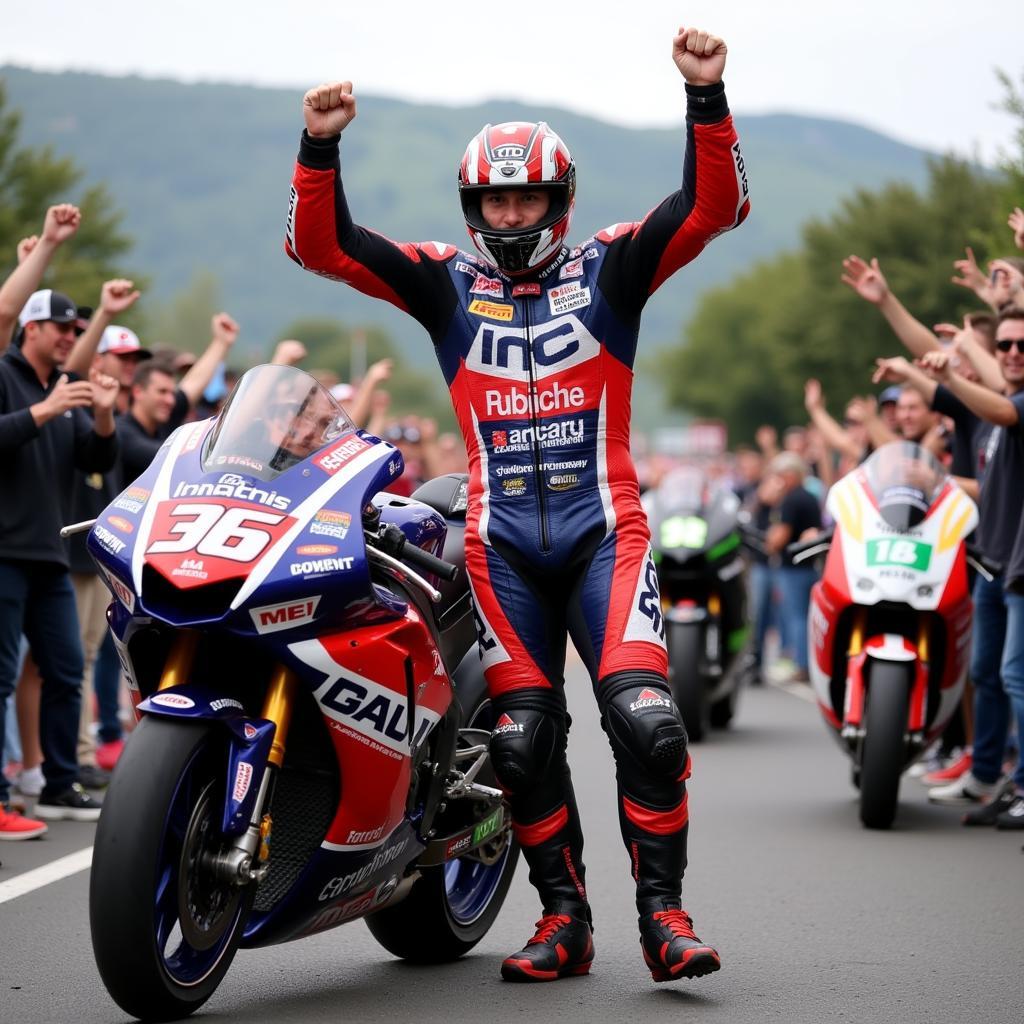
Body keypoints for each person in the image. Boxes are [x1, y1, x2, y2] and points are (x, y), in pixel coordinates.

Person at [286, 25, 749, 982]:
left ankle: (664, 917)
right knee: (521, 739)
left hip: (603, 533)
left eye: (526, 194)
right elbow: (320, 248)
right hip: (500, 546)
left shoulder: (613, 268)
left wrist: (706, 96)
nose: (509, 211)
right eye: (494, 196)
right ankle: (564, 919)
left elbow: (715, 208)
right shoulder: (446, 286)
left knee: (648, 723)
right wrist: (319, 148)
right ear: (471, 204)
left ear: (559, 199)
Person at [0, 288, 120, 830]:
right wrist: (41, 412)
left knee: (68, 670)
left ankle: (57, 784)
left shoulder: (62, 388)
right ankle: (3, 796)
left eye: (76, 330)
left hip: (49, 551)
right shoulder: (7, 375)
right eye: (62, 328)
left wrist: (102, 417)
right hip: (4, 549)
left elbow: (94, 461)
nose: (70, 337)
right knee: (2, 676)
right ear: (30, 327)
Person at [117, 313, 239, 482]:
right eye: (162, 392)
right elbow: (167, 458)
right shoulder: (121, 431)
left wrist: (221, 342)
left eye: (171, 392)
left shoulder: (163, 418)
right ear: (138, 392)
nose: (170, 400)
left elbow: (193, 383)